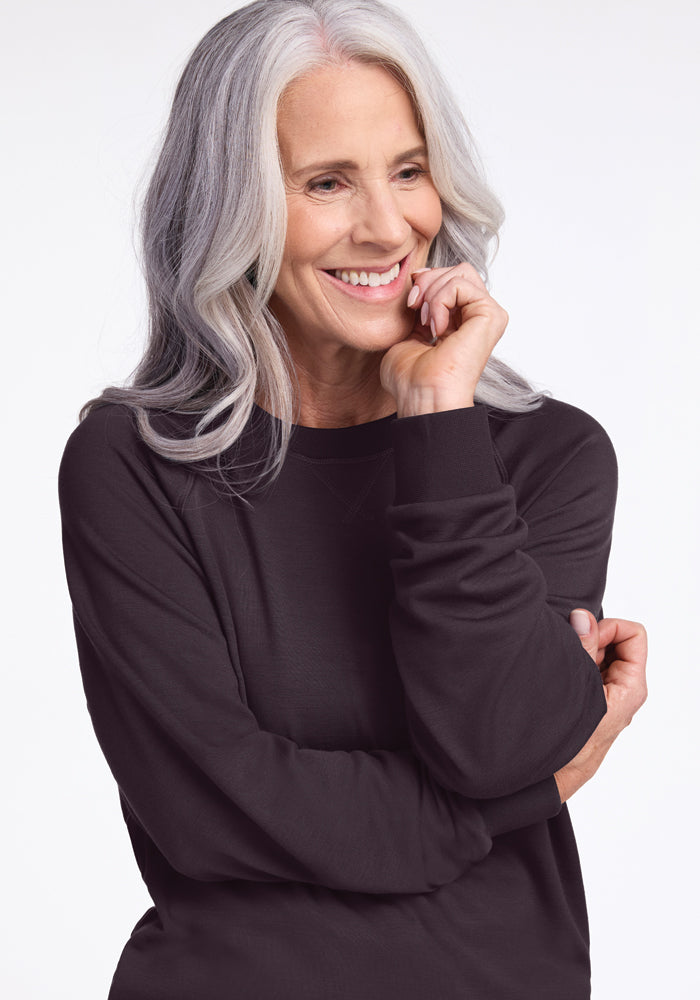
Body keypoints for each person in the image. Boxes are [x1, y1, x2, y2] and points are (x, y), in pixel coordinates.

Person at [58, 1, 648, 997]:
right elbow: (209, 808)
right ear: (230, 206)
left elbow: (494, 736)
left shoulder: (550, 454)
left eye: (409, 170)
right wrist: (510, 803)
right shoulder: (134, 463)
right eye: (326, 182)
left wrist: (436, 412)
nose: (389, 226)